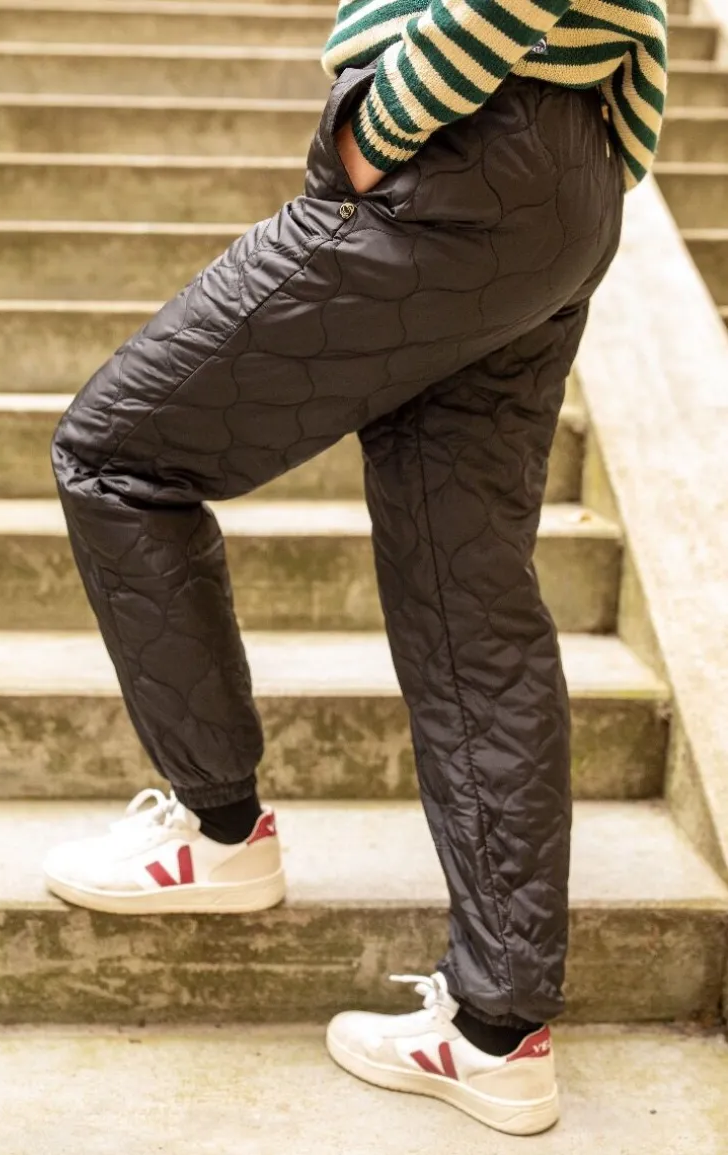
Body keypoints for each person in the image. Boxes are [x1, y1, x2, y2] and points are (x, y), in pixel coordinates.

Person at [43, 0, 667, 1136]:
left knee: (115, 452)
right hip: (560, 181)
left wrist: (381, 126)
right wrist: (605, 153)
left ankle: (218, 831)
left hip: (459, 148)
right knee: (469, 601)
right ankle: (496, 1036)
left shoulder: (432, 117)